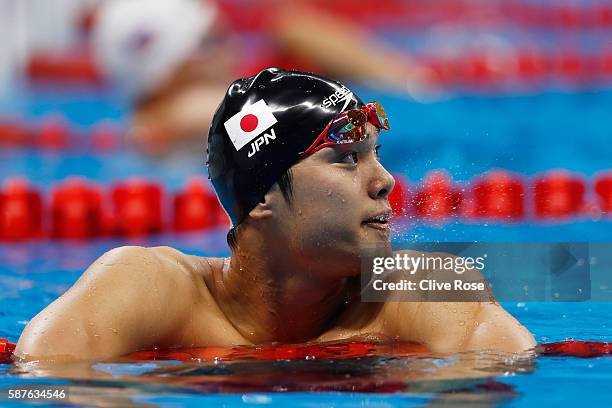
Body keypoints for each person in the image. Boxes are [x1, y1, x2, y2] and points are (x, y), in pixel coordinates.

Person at [15, 68, 534, 362]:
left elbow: (506, 368)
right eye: (348, 159)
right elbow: (35, 387)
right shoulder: (151, 287)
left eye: (376, 154)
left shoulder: (416, 288)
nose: (385, 180)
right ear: (262, 196)